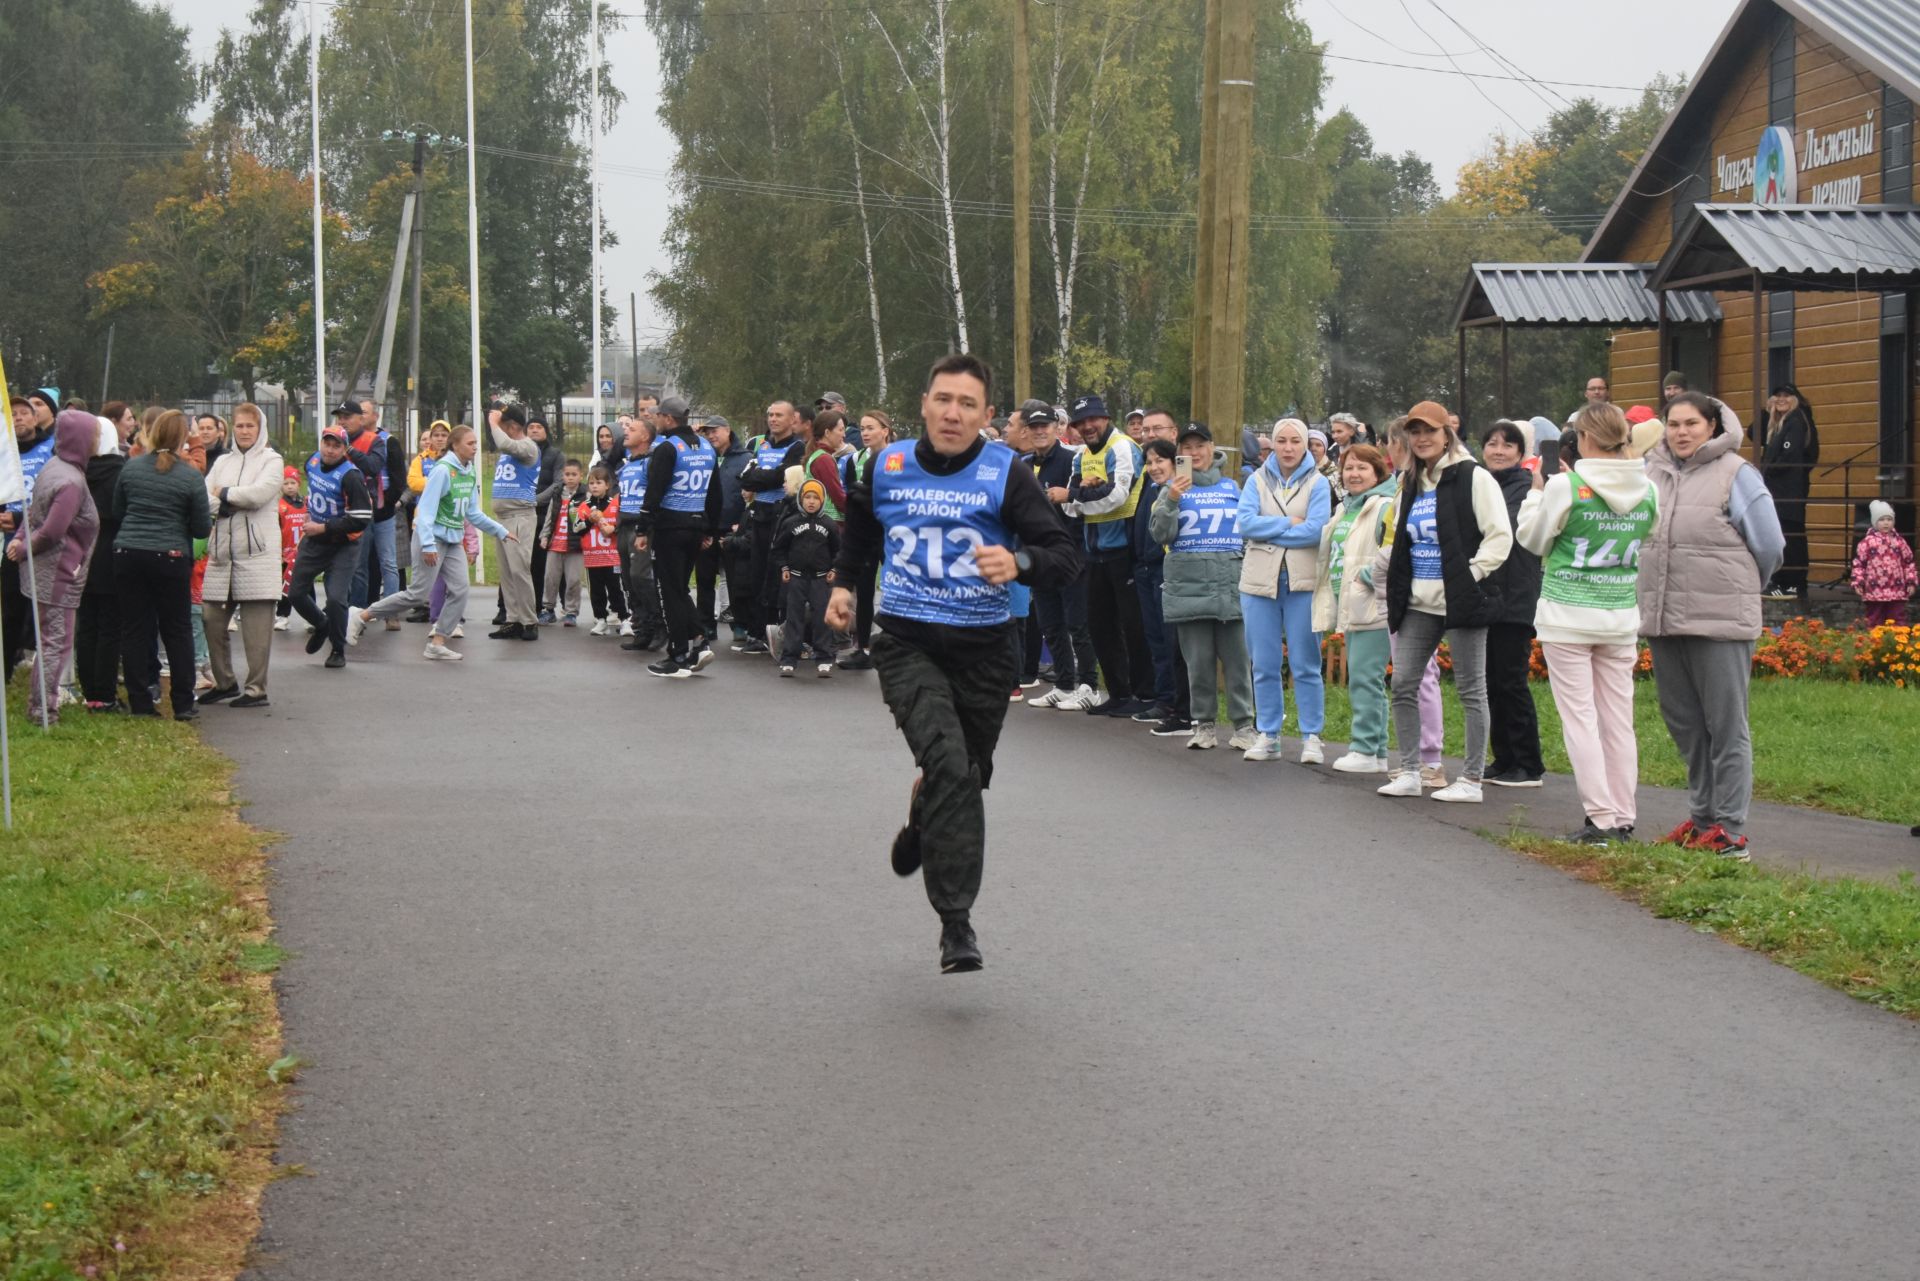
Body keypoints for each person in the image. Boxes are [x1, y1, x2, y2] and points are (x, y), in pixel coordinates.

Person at [825, 352, 1082, 973]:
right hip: (908, 642)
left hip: (986, 650)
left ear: (986, 416)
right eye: (944, 399)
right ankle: (956, 925)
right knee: (951, 766)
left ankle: (922, 814)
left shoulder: (1005, 473)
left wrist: (1019, 563)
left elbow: (1063, 554)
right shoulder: (887, 464)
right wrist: (843, 583)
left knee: (965, 776)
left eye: (968, 404)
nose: (952, 413)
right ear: (924, 404)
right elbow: (861, 523)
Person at [1639, 393, 1784, 858]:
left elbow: (1770, 544)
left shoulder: (1737, 474)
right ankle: (1703, 819)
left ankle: (1732, 829)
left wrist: (1736, 585)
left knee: (1726, 727)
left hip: (1720, 621)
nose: (1681, 432)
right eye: (1674, 424)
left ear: (1713, 426)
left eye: (1692, 424)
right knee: (1685, 725)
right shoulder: (1652, 472)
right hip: (1664, 619)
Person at [1516, 402, 1656, 845]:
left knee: (1581, 720)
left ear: (1586, 440)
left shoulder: (1567, 486)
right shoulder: (1650, 490)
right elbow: (1647, 537)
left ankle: (1599, 818)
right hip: (1618, 615)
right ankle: (1623, 815)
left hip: (1567, 616)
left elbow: (1534, 539)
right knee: (1618, 720)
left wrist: (1534, 495)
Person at [1376, 400, 1512, 803]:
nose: (1421, 439)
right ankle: (1411, 772)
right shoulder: (1411, 483)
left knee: (1471, 690)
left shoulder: (1474, 477)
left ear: (1446, 435)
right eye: (1414, 433)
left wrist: (1468, 576)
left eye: (1429, 432)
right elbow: (1402, 540)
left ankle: (1471, 780)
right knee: (1402, 684)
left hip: (1463, 600)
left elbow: (1500, 536)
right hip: (1419, 602)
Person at [347, 424, 514, 661]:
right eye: (470, 443)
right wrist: (427, 544)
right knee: (416, 594)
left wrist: (500, 531)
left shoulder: (469, 471)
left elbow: (473, 513)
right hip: (431, 538)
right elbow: (425, 511)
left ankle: (437, 642)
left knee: (460, 590)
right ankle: (362, 616)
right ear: (455, 446)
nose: (475, 447)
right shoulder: (442, 470)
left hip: (453, 539)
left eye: (476, 443)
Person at [1150, 424, 1253, 751]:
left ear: (1212, 448)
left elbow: (1248, 533)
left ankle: (1244, 726)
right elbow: (1160, 535)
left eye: (1200, 445)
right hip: (1188, 588)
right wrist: (1172, 498)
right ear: (1179, 452)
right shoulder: (1167, 490)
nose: (1194, 453)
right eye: (1187, 447)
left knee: (1238, 662)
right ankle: (1204, 725)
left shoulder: (1234, 488)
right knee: (1198, 663)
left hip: (1230, 586)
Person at [1236, 417, 1331, 763]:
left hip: (1302, 582)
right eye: (1281, 441)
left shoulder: (1319, 483)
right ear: (1272, 444)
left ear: (1305, 444)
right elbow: (1245, 524)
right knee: (1263, 663)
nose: (1288, 448)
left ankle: (1311, 736)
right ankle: (1269, 734)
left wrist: (1268, 531)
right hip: (1259, 583)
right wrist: (1288, 524)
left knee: (1306, 663)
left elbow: (1315, 531)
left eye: (1295, 441)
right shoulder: (1256, 480)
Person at [1054, 394, 1152, 716]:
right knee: (1100, 626)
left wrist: (1078, 493)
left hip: (1125, 549)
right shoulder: (1080, 456)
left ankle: (1144, 693)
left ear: (1106, 418)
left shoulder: (1122, 446)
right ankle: (1119, 693)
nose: (1087, 427)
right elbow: (1067, 507)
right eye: (1081, 423)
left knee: (1132, 626)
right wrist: (1081, 492)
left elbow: (1118, 497)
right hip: (1093, 551)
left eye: (1093, 420)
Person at [112, 410, 211, 717]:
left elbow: (118, 512)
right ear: (183, 438)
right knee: (177, 631)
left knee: (134, 630)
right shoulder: (190, 476)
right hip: (170, 557)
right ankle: (183, 704)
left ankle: (141, 702)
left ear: (151, 434)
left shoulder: (131, 468)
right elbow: (201, 529)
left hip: (129, 553)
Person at [6, 409, 100, 725]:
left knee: (50, 640)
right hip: (59, 573)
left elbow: (32, 513)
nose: (97, 440)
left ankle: (41, 705)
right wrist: (23, 546)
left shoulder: (54, 467)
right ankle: (44, 709)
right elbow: (50, 530)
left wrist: (19, 542)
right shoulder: (71, 481)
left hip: (50, 570)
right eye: (94, 435)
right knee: (56, 643)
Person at [1313, 443, 1397, 773]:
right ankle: (1375, 752)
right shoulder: (1345, 508)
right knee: (1365, 677)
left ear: (1378, 473)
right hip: (1351, 601)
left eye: (1362, 467)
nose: (1354, 474)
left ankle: (1364, 748)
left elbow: (1393, 549)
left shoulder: (1383, 506)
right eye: (1348, 467)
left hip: (1372, 601)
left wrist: (1367, 576)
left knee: (1365, 677)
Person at [200, 403, 284, 708]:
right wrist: (228, 499)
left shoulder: (272, 460)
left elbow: (259, 495)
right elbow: (202, 497)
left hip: (257, 556)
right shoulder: (222, 462)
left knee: (256, 630)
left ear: (260, 428)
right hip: (222, 554)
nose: (245, 431)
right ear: (231, 429)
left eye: (250, 426)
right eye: (239, 426)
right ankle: (224, 682)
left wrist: (223, 494)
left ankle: (255, 689)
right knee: (210, 618)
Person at [633, 395, 725, 678]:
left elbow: (655, 491)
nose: (655, 420)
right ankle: (696, 642)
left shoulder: (668, 448)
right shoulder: (707, 448)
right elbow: (715, 493)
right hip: (696, 526)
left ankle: (680, 652)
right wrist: (710, 529)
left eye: (658, 415)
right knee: (680, 588)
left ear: (669, 419)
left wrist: (642, 528)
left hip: (670, 528)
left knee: (670, 591)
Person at [1477, 421, 1545, 787]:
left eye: (1507, 445)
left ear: (1520, 453)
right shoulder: (1482, 484)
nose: (1498, 451)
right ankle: (1504, 758)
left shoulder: (1525, 488)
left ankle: (1528, 763)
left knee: (1511, 681)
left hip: (1515, 598)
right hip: (1487, 598)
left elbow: (1506, 531)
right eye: (1492, 444)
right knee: (1491, 683)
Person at [1022, 399, 1097, 709]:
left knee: (1077, 622)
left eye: (1045, 426)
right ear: (1026, 431)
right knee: (1049, 622)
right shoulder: (1023, 465)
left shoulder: (1072, 460)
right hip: (1038, 554)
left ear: (1056, 428)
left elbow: (1083, 501)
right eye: (1034, 427)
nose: (1040, 432)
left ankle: (1089, 685)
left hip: (1070, 551)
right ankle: (1065, 684)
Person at [287, 425, 373, 669]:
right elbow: (313, 492)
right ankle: (322, 624)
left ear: (345, 449)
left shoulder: (351, 476)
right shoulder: (312, 461)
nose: (331, 450)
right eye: (327, 443)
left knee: (336, 598)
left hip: (343, 543)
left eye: (337, 446)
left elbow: (361, 518)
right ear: (321, 443)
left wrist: (323, 528)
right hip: (315, 541)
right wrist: (308, 513)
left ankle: (337, 648)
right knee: (295, 593)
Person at [737, 400, 806, 654]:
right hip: (760, 515)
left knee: (778, 576)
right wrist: (763, 478)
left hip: (782, 515)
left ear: (792, 420)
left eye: (779, 415)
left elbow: (782, 477)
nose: (773, 419)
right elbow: (745, 477)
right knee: (757, 574)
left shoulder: (797, 447)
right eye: (770, 415)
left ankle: (778, 629)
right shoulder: (762, 446)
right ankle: (756, 633)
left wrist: (760, 478)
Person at [1131, 438, 1189, 733]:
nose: (1154, 467)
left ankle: (1177, 703)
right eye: (1149, 462)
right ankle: (1163, 697)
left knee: (1171, 640)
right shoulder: (1149, 488)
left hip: (1165, 569)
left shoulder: (1176, 492)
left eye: (1160, 461)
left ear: (1174, 461)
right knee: (1155, 638)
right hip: (1145, 570)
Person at [3, 389, 59, 680]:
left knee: (42, 608)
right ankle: (7, 666)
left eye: (24, 412)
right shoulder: (4, 451)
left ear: (36, 418)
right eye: (13, 413)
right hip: (9, 540)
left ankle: (47, 669)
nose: (19, 417)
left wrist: (21, 518)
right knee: (10, 606)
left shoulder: (50, 448)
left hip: (41, 537)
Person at [836, 410, 894, 669]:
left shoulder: (898, 459)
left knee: (894, 589)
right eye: (862, 428)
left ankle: (896, 645)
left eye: (871, 428)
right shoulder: (853, 460)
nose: (866, 433)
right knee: (865, 590)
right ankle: (863, 647)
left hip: (891, 532)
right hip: (866, 534)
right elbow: (851, 498)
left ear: (886, 430)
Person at [76, 414, 126, 711]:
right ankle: (105, 693)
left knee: (87, 626)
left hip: (82, 555)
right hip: (113, 555)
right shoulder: (121, 472)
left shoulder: (77, 472)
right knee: (110, 627)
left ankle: (90, 691)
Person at [772, 478, 839, 676]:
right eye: (807, 497)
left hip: (820, 579)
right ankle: (789, 659)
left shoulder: (829, 524)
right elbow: (778, 549)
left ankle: (824, 658)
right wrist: (784, 567)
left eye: (815, 498)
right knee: (793, 618)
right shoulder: (791, 523)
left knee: (821, 619)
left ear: (822, 500)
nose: (811, 502)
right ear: (801, 499)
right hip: (796, 578)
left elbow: (838, 551)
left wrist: (834, 569)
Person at [486, 405, 542, 639]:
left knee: (519, 570)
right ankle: (513, 619)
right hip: (503, 519)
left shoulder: (528, 447)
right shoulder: (509, 451)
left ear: (513, 426)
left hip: (520, 516)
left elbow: (504, 443)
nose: (500, 430)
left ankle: (529, 621)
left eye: (503, 426)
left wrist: (492, 423)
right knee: (507, 573)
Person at [1759, 383, 1818, 599]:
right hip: (1781, 489)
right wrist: (1767, 412)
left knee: (1791, 535)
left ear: (1795, 399)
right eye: (1777, 395)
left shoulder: (1796, 421)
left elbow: (1790, 456)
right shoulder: (1779, 422)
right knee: (1785, 533)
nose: (1781, 399)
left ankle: (1792, 583)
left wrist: (1767, 471)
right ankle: (1784, 581)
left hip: (1788, 489)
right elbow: (1752, 433)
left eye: (1786, 396)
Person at [699, 416, 750, 644]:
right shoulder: (703, 458)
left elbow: (751, 493)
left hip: (733, 529)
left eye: (715, 431)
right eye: (707, 432)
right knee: (704, 579)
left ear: (728, 430)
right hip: (707, 529)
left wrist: (742, 523)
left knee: (737, 580)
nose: (711, 436)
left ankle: (740, 624)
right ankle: (706, 626)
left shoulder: (745, 459)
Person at [616, 411, 664, 650]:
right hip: (623, 526)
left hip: (640, 526)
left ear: (645, 436)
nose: (626, 432)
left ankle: (658, 626)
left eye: (632, 429)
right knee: (628, 579)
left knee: (640, 576)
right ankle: (641, 629)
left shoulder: (650, 462)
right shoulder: (626, 464)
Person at [537, 458, 588, 625]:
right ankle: (548, 609)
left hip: (575, 546)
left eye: (574, 474)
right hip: (555, 544)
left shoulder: (585, 495)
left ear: (581, 476)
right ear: (562, 476)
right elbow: (550, 517)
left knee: (573, 580)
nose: (571, 478)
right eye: (567, 474)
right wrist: (545, 536)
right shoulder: (558, 493)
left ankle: (571, 612)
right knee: (550, 578)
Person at [581, 465, 628, 634]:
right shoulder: (584, 506)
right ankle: (601, 620)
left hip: (611, 556)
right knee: (596, 591)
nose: (594, 486)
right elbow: (576, 528)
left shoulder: (615, 504)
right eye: (591, 483)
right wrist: (589, 521)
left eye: (598, 482)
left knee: (616, 588)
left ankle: (624, 619)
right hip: (592, 557)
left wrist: (612, 528)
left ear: (607, 485)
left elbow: (621, 524)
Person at [1851, 501, 1915, 626]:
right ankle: (1876, 643)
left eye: (1889, 519)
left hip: (1897, 590)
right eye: (1881, 519)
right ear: (1875, 522)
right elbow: (1859, 564)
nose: (1886, 523)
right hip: (1874, 590)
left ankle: (1898, 642)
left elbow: (1909, 562)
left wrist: (1911, 582)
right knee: (1874, 619)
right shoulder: (1867, 542)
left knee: (1898, 618)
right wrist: (1858, 582)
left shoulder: (1899, 542)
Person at [528, 417, 565, 620]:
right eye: (531, 427)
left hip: (544, 515)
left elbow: (558, 483)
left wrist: (535, 500)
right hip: (521, 514)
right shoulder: (519, 454)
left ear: (546, 431)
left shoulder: (555, 455)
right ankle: (506, 607)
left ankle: (540, 607)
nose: (534, 430)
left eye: (539, 427)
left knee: (541, 565)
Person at [274, 466, 307, 631]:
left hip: (303, 552)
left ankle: (310, 617)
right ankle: (282, 616)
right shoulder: (279, 506)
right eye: (285, 483)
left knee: (307, 585)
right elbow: (276, 530)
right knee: (284, 585)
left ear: (298, 484)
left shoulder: (305, 504)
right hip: (285, 554)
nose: (289, 486)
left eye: (292, 482)